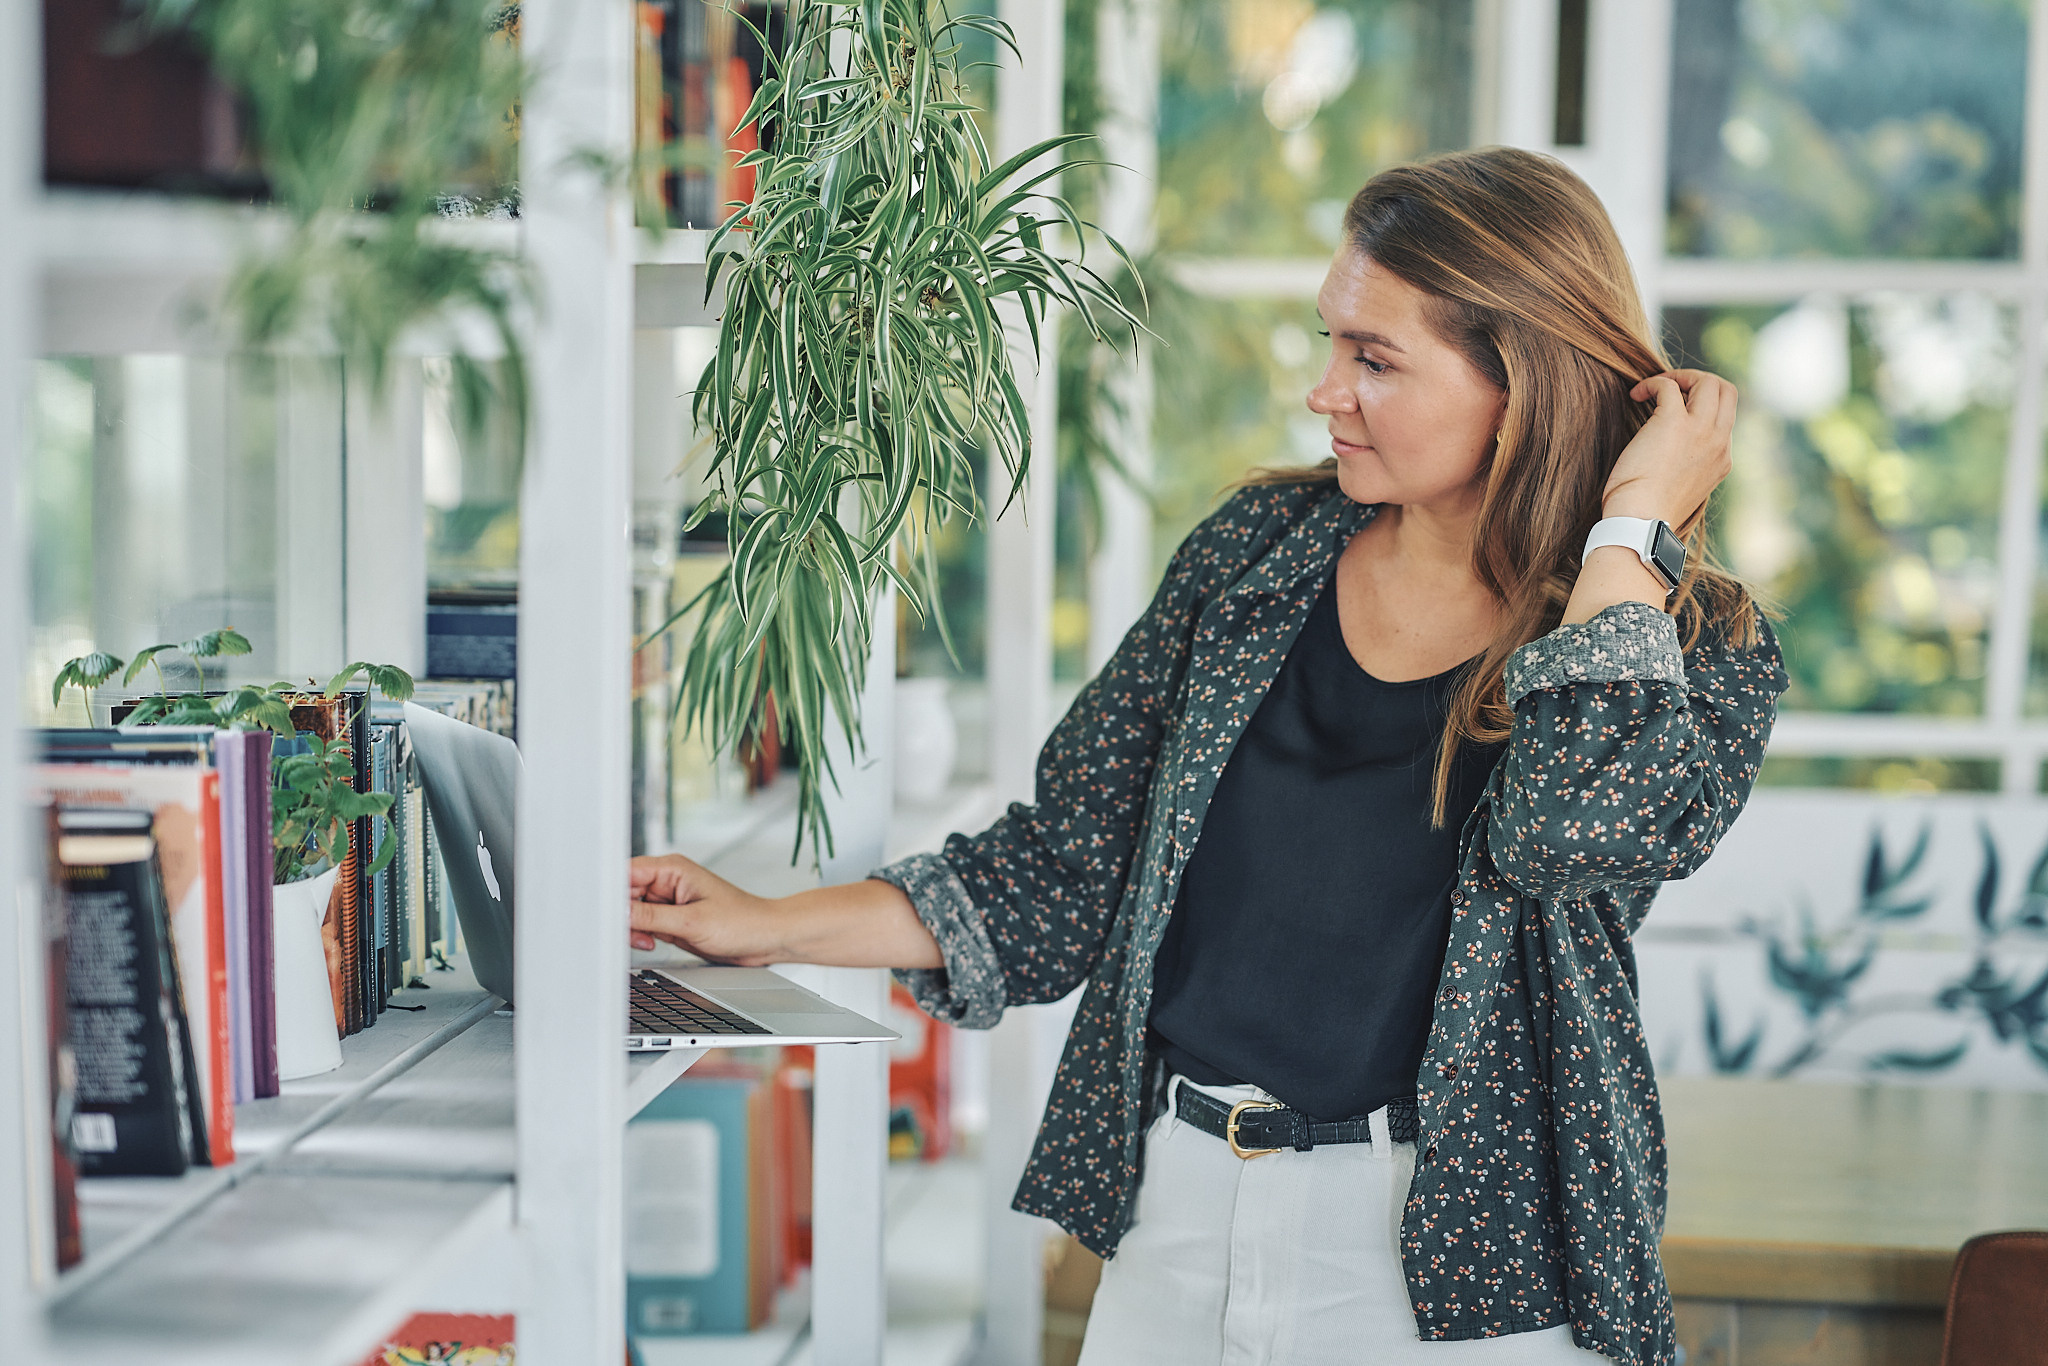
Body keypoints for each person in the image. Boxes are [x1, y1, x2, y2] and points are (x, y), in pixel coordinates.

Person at [627, 147, 1788, 1366]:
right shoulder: (1255, 554)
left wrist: (1627, 537)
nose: (1323, 392)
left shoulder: (1682, 642)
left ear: (1523, 382)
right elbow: (1061, 868)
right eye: (1331, 342)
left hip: (1465, 1271)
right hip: (1179, 1220)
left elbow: (1566, 835)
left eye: (1373, 359)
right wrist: (761, 926)